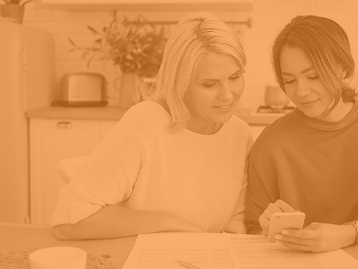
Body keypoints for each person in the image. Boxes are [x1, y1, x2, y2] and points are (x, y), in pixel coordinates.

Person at [52, 12, 253, 240]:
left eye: (235, 77)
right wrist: (168, 222)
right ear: (180, 83)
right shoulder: (146, 122)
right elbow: (69, 219)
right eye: (209, 84)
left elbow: (237, 227)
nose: (227, 95)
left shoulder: (239, 134)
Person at [244, 15, 358, 252]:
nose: (301, 91)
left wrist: (345, 234)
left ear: (342, 68)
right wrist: (268, 225)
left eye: (313, 76)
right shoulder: (270, 142)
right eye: (289, 80)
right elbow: (253, 230)